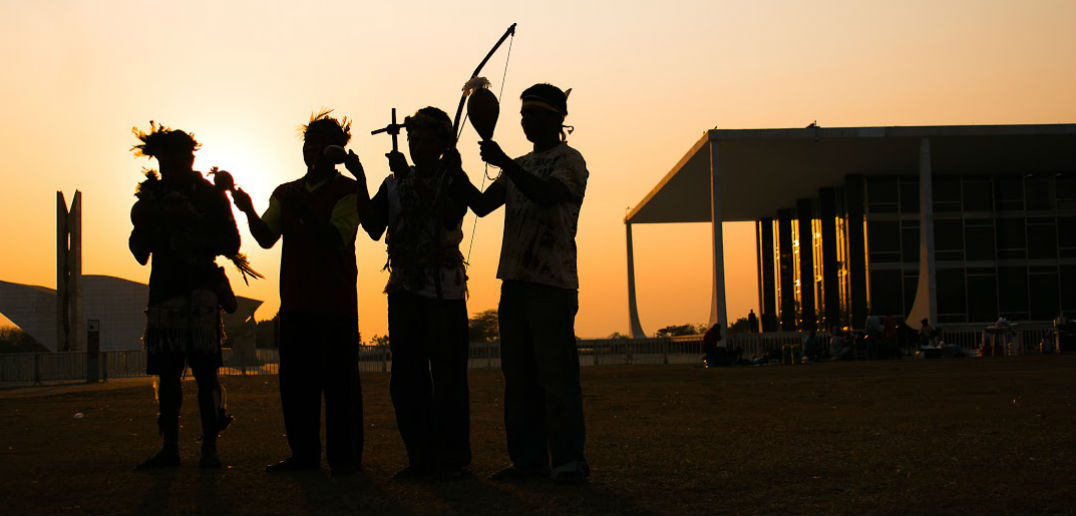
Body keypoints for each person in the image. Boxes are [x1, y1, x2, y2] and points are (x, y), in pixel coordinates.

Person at [452, 83, 590, 484]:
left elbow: (548, 196)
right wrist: (454, 168)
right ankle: (528, 462)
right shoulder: (521, 164)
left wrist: (506, 164)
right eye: (522, 114)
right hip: (514, 281)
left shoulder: (570, 160)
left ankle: (568, 461)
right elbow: (480, 205)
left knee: (556, 377)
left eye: (532, 114)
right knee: (519, 380)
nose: (524, 121)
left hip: (552, 283)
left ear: (555, 118)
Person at [232, 111, 366, 476]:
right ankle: (304, 455)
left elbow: (335, 241)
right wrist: (247, 210)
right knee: (296, 387)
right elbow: (266, 237)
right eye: (309, 142)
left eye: (322, 142)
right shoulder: (286, 192)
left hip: (335, 305)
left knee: (339, 386)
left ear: (337, 151)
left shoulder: (348, 192)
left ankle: (345, 459)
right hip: (295, 303)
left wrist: (304, 211)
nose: (313, 149)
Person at [359, 107, 472, 480]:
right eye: (413, 140)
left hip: (445, 295)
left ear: (442, 145)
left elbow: (450, 215)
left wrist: (407, 175)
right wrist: (360, 178)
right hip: (405, 291)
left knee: (448, 375)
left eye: (425, 141)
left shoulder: (451, 178)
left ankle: (452, 457)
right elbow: (374, 227)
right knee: (407, 376)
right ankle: (420, 456)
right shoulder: (392, 184)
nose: (417, 147)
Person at [128, 122, 238, 469]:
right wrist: (155, 222)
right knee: (169, 374)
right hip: (167, 295)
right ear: (160, 161)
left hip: (199, 293)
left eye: (182, 157)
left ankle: (209, 449)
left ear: (190, 158)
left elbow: (231, 243)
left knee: (206, 375)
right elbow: (138, 248)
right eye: (169, 159)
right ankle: (172, 448)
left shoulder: (208, 195)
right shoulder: (152, 198)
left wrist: (192, 235)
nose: (176, 164)